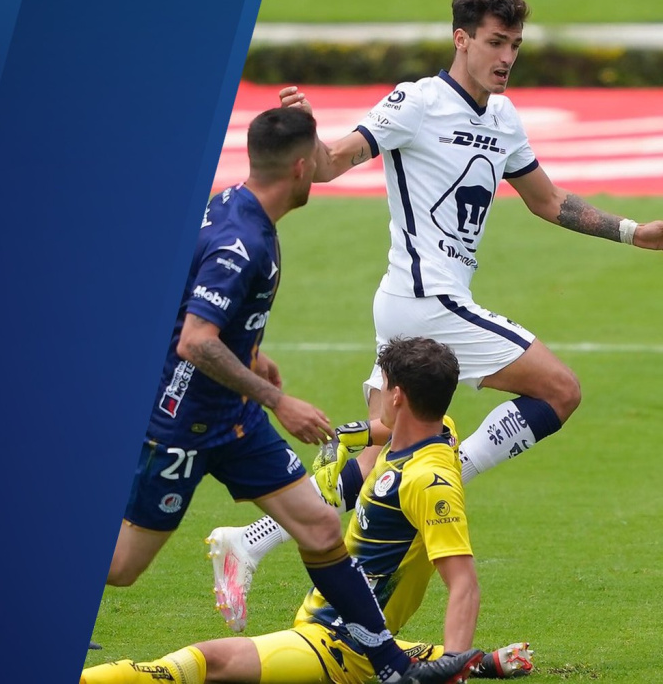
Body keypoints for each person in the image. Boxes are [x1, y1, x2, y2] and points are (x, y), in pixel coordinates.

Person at [204, 0, 663, 631]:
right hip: (427, 302)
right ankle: (436, 474)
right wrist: (307, 133)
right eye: (496, 42)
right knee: (559, 390)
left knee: (379, 456)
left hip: (413, 304)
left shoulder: (503, 118)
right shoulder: (416, 103)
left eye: (515, 45)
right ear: (462, 39)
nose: (507, 57)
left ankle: (249, 540)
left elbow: (548, 201)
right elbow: (331, 164)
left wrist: (633, 233)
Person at [106, 108, 480, 683]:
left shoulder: (236, 207)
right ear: (302, 168)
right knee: (122, 567)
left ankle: (392, 670)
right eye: (321, 158)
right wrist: (278, 401)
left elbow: (193, 307)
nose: (328, 165)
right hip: (186, 426)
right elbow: (195, 341)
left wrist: (252, 356)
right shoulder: (243, 243)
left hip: (235, 419)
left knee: (320, 528)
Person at [82, 338, 535, 684]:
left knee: (207, 662)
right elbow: (381, 429)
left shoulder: (428, 482)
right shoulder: (439, 429)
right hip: (343, 627)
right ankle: (484, 662)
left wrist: (453, 666)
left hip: (340, 645)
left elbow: (463, 583)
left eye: (383, 386)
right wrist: (342, 439)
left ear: (397, 396)